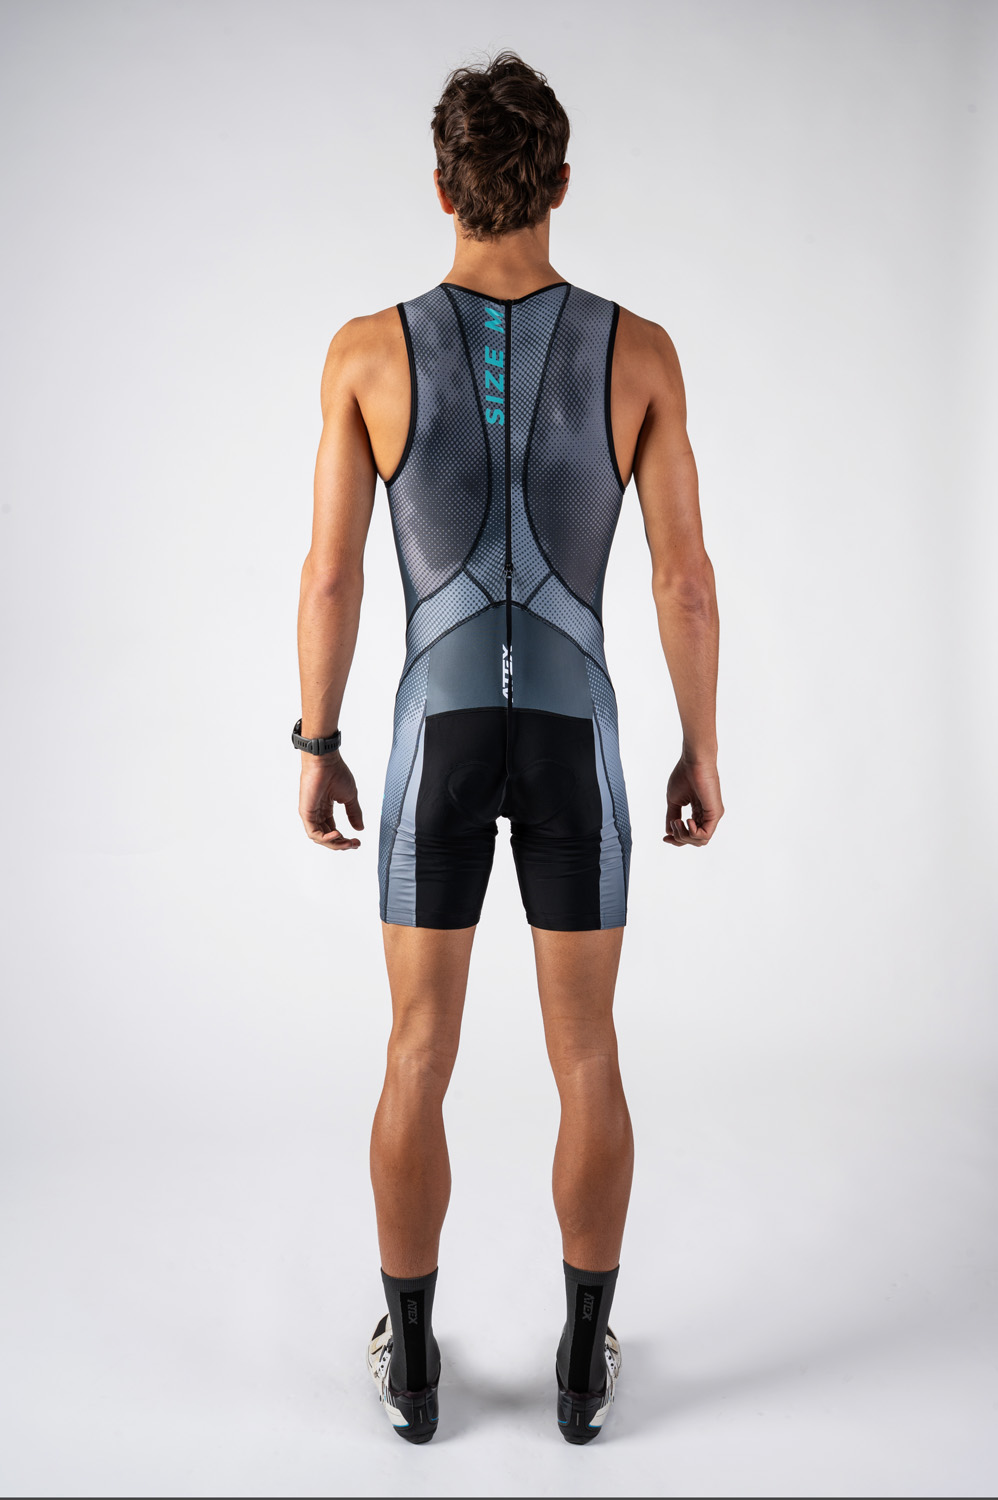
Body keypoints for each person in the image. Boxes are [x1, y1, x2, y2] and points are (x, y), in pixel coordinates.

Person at [294, 50, 722, 1445]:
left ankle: (413, 1368)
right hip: (571, 727)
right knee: (585, 1051)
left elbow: (332, 578)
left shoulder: (366, 351)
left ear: (442, 187)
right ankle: (583, 1367)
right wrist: (699, 749)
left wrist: (317, 739)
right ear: (561, 184)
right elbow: (681, 583)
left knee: (417, 1046)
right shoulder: (638, 351)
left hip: (434, 728)